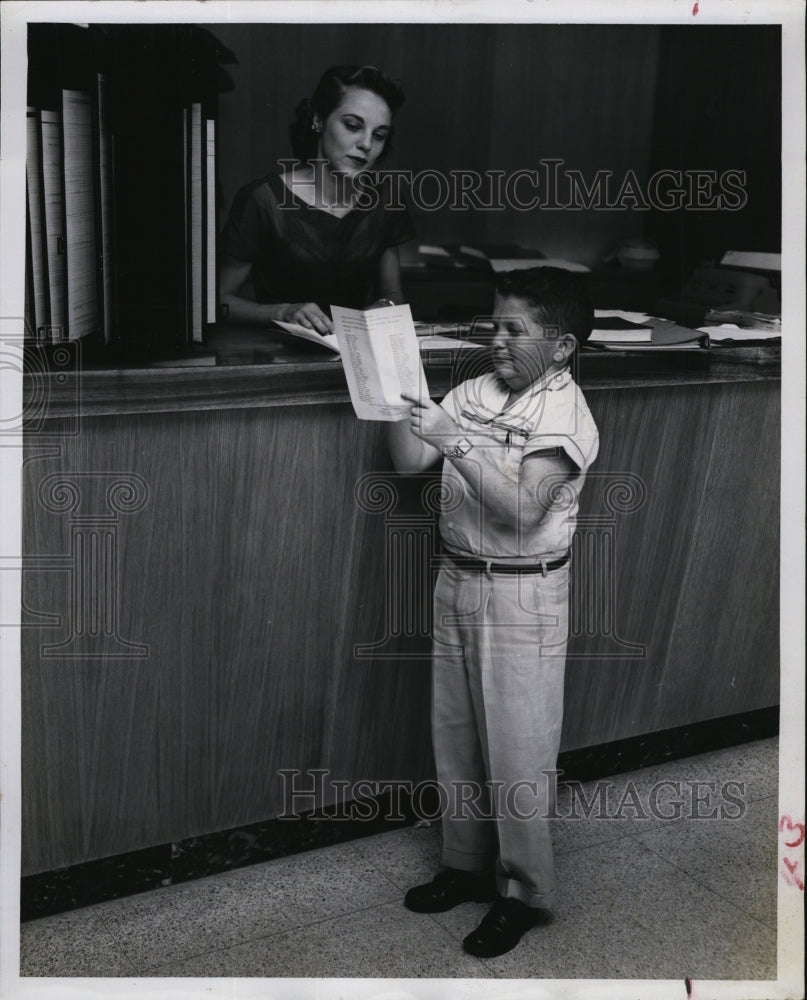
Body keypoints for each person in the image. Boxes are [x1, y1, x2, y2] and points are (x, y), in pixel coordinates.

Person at [384, 266, 600, 958]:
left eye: (515, 330)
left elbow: (519, 508)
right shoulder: (475, 389)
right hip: (457, 576)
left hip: (522, 592)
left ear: (561, 346)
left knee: (517, 753)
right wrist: (401, 400)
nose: (497, 340)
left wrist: (451, 438)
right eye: (495, 324)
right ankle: (465, 865)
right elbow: (410, 460)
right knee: (455, 738)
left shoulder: (565, 413)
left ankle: (523, 895)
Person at [219, 65, 414, 336]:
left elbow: (393, 293)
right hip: (274, 359)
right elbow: (220, 303)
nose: (367, 144)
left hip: (354, 357)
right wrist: (282, 312)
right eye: (353, 126)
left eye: (379, 135)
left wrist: (385, 306)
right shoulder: (263, 199)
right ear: (319, 120)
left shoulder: (385, 200)